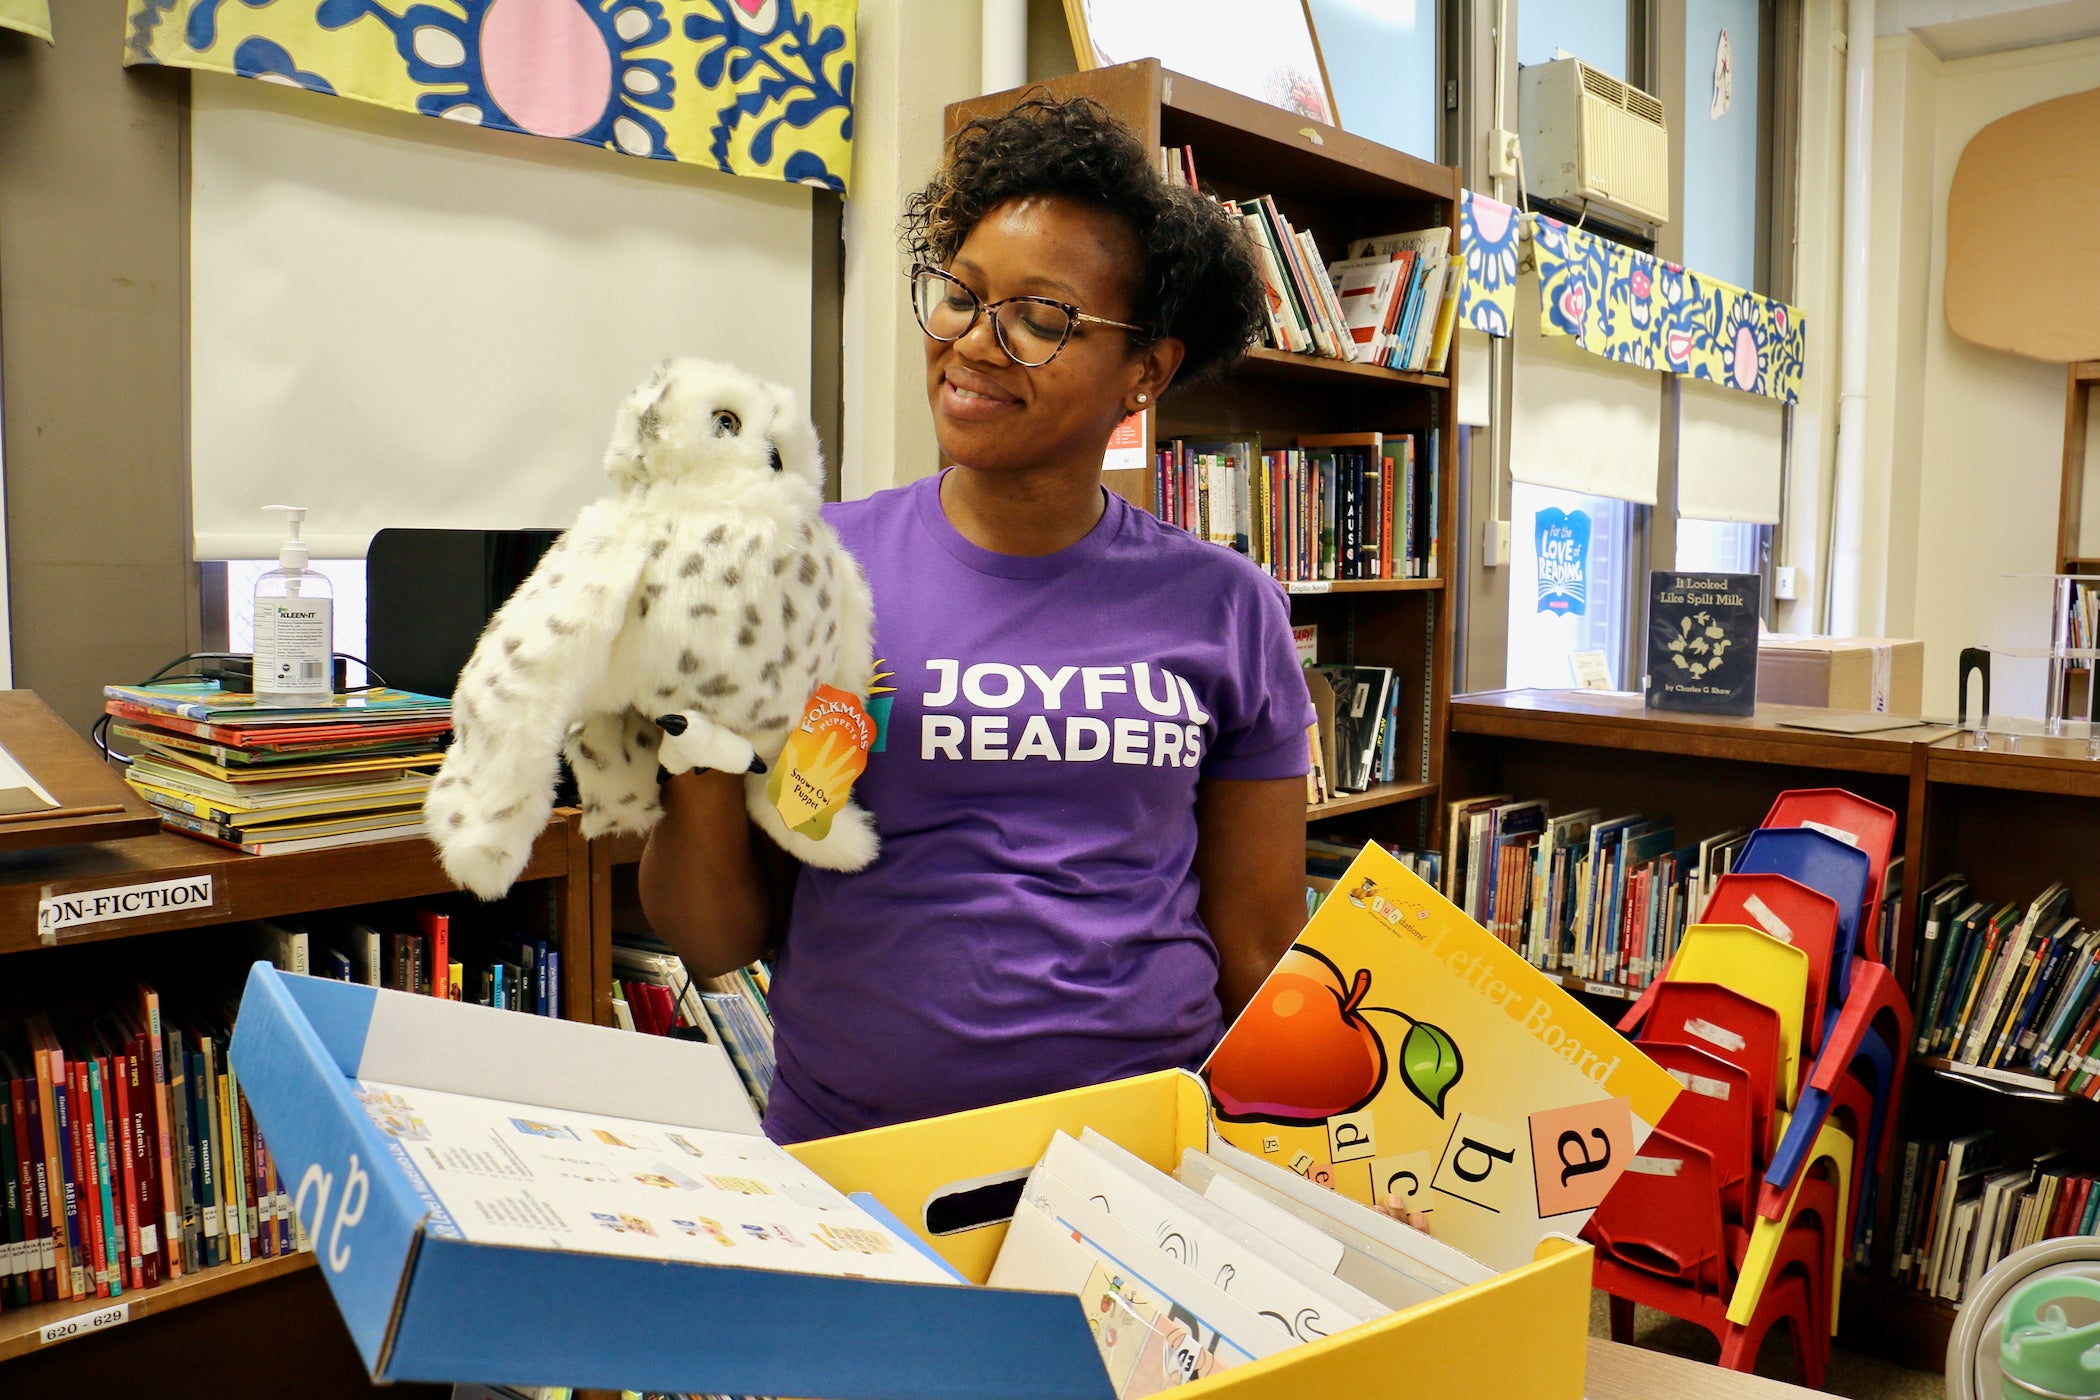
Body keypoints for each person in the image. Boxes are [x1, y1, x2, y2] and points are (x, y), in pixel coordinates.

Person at [639, 94, 1316, 1145]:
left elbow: (1262, 939)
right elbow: (715, 932)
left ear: (1148, 369)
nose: (973, 343)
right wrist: (694, 744)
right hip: (860, 1153)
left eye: (1041, 318)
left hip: (1136, 1164)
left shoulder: (1226, 606)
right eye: (959, 296)